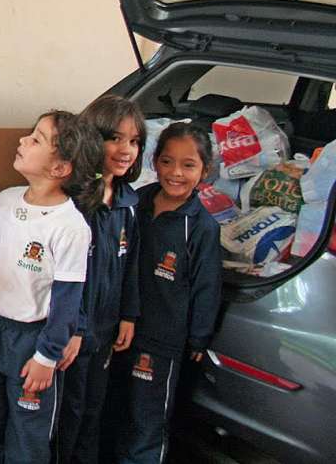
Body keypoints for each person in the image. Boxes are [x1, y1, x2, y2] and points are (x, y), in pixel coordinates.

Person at [0, 111, 102, 464]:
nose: (23, 141)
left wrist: (46, 356)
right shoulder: (6, 200)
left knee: (28, 433)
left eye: (36, 139)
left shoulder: (70, 227)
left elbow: (68, 301)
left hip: (33, 340)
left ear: (60, 169)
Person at [116, 122, 221, 464]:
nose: (175, 173)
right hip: (119, 330)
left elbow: (207, 286)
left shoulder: (202, 227)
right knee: (114, 413)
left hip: (162, 341)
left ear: (204, 171)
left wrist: (198, 337)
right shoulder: (137, 202)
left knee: (147, 421)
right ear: (155, 162)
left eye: (188, 165)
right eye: (166, 161)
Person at [55, 95, 145, 464]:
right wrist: (73, 327)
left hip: (106, 331)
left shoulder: (129, 202)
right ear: (92, 139)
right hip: (73, 335)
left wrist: (129, 314)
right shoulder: (74, 201)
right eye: (115, 138)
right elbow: (64, 276)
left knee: (93, 411)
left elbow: (132, 264)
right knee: (68, 414)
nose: (126, 150)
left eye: (135, 141)